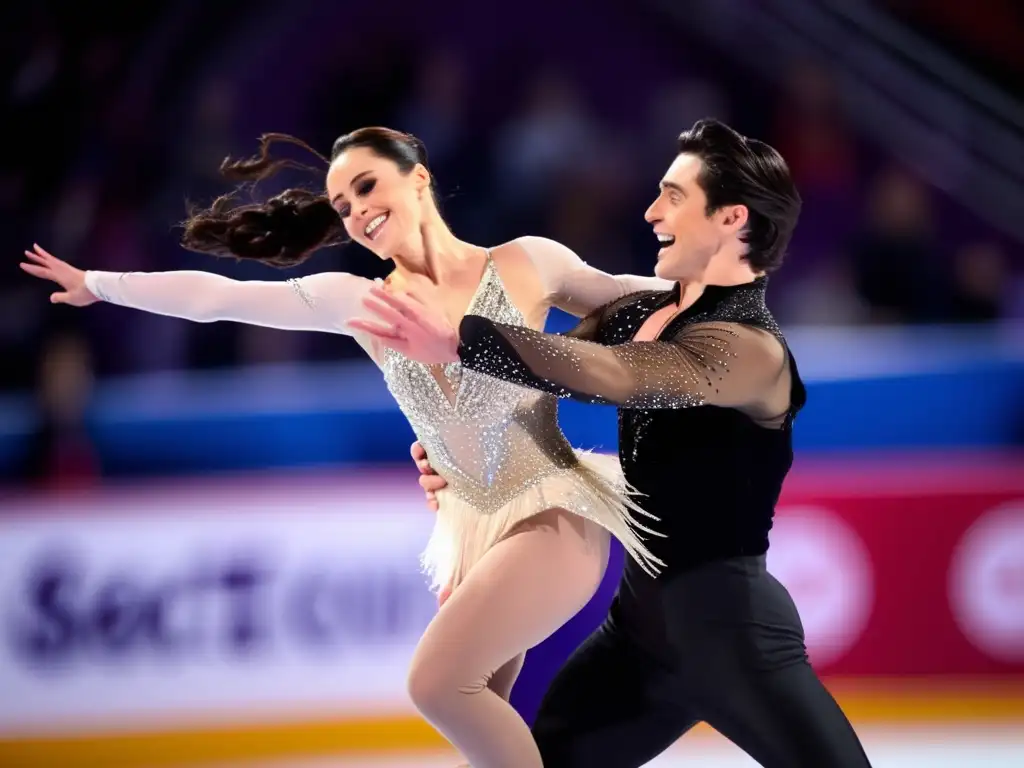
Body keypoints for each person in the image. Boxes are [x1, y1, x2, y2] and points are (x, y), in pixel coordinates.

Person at [21, 126, 672, 768]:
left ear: (418, 176)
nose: (357, 211)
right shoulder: (359, 301)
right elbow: (221, 298)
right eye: (342, 206)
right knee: (485, 726)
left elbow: (626, 293)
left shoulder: (527, 261)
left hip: (552, 511)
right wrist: (100, 283)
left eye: (366, 186)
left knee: (437, 683)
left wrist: (728, 290)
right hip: (474, 531)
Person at [354, 118, 874, 767]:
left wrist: (462, 339)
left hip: (735, 638)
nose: (652, 211)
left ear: (731, 218)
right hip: (639, 640)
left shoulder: (750, 348)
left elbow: (615, 376)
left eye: (674, 197)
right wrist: (460, 455)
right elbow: (529, 383)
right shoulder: (638, 312)